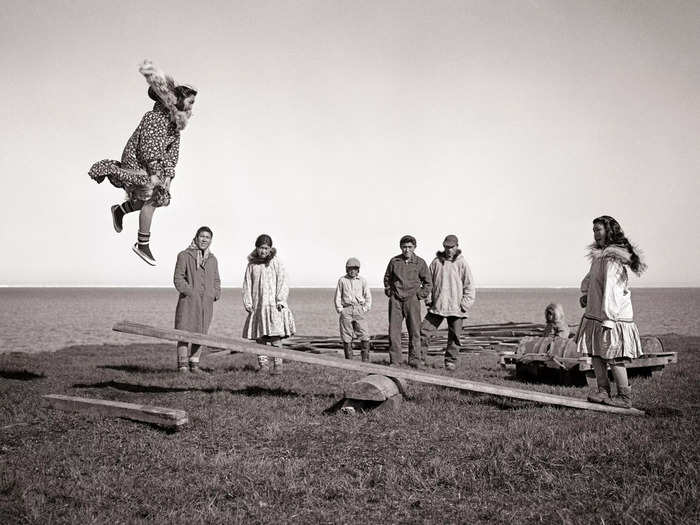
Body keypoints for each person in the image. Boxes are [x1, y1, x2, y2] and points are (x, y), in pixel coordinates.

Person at [89, 60, 197, 266]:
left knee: (159, 197)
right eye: (190, 102)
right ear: (179, 102)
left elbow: (172, 154)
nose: (192, 107)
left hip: (152, 166)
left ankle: (120, 210)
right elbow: (149, 150)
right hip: (138, 163)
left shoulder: (174, 126)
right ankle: (142, 244)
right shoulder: (155, 118)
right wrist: (156, 174)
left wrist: (167, 178)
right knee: (153, 197)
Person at [576, 215, 647, 408]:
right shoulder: (600, 257)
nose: (595, 234)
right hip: (597, 313)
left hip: (611, 316)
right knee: (596, 353)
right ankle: (603, 391)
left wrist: (608, 319)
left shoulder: (612, 259)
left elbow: (612, 291)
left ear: (609, 231)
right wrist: (587, 294)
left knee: (614, 356)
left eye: (598, 229)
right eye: (594, 230)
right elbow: (591, 279)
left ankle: (624, 396)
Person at [420, 235, 475, 370]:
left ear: (457, 246)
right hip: (437, 305)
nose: (449, 250)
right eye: (446, 247)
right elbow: (428, 283)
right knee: (424, 332)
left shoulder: (462, 263)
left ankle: (451, 362)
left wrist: (465, 305)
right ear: (443, 246)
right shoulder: (436, 262)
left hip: (457, 307)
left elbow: (469, 286)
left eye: (451, 247)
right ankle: (419, 359)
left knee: (455, 336)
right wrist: (428, 300)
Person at [242, 234, 296, 374]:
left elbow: (283, 281)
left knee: (275, 336)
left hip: (273, 306)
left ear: (270, 249)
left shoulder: (276, 262)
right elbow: (247, 284)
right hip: (258, 306)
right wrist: (248, 302)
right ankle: (263, 365)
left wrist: (280, 300)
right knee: (260, 338)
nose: (263, 251)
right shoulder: (252, 264)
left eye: (266, 248)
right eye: (261, 248)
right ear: (257, 248)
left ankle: (278, 365)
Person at [173, 226, 221, 373]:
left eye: (208, 237)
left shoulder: (212, 259)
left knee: (201, 333)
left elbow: (216, 280)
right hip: (188, 302)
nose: (204, 239)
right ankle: (182, 365)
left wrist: (215, 294)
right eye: (202, 236)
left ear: (211, 240)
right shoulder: (184, 255)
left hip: (206, 304)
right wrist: (191, 292)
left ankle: (194, 364)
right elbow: (178, 278)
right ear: (196, 237)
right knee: (184, 333)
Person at [383, 235, 432, 368]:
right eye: (404, 247)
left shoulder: (420, 263)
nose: (407, 250)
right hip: (396, 300)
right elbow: (387, 278)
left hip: (412, 300)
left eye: (410, 247)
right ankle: (395, 361)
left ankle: (415, 360)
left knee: (415, 330)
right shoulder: (394, 261)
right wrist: (389, 291)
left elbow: (428, 282)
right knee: (394, 331)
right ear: (401, 247)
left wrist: (419, 295)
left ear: (414, 247)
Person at [334, 258, 372, 362]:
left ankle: (365, 361)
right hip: (346, 309)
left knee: (364, 334)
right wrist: (340, 309)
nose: (352, 271)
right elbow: (338, 296)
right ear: (346, 269)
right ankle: (349, 362)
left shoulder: (362, 281)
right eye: (350, 268)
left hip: (359, 309)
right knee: (346, 335)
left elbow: (368, 296)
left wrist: (365, 308)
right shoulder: (342, 280)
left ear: (358, 270)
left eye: (355, 269)